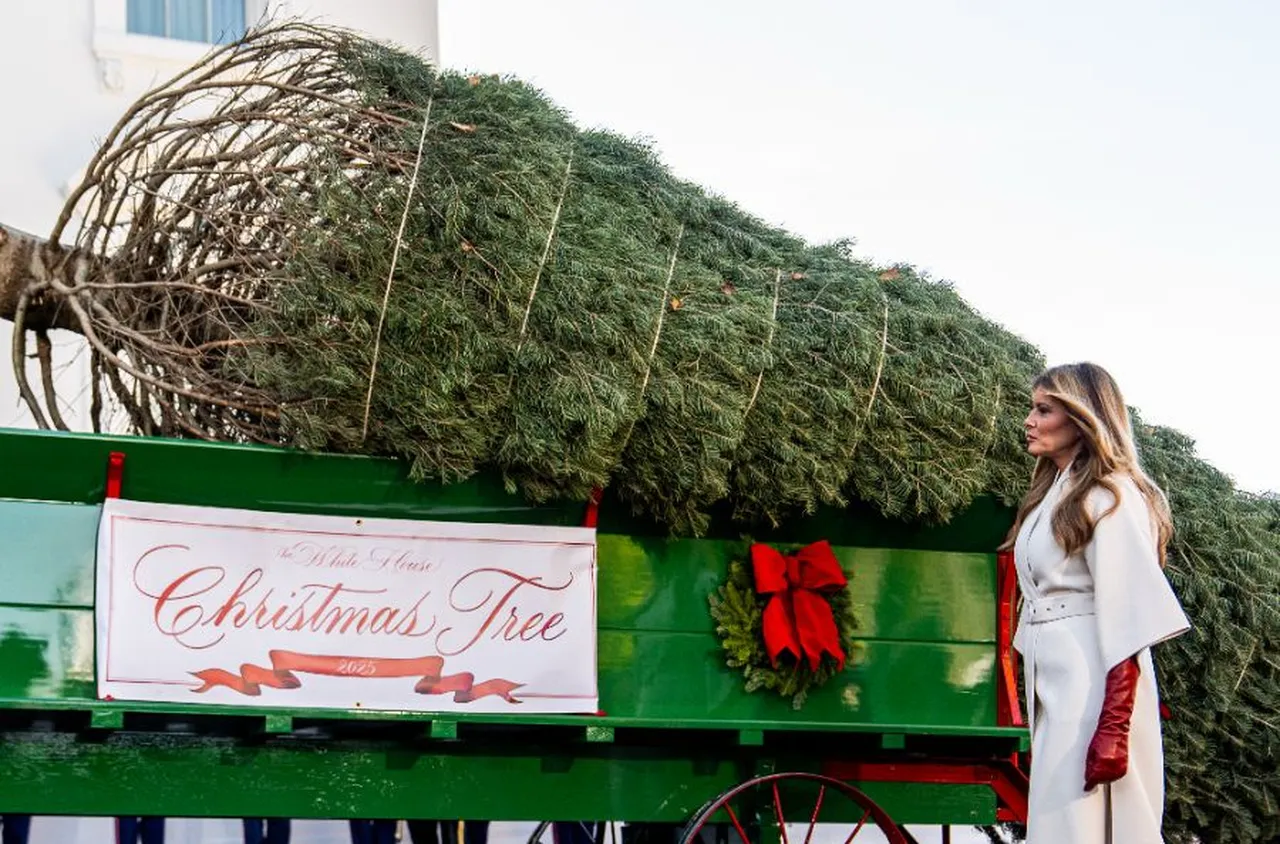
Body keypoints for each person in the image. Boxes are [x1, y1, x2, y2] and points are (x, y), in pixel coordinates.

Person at [1005, 362, 1190, 843]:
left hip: (1095, 681)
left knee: (1085, 823)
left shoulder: (1112, 494)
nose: (1029, 420)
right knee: (1060, 821)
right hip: (1056, 677)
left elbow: (1130, 614)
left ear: (1083, 418)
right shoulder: (1054, 494)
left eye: (1044, 410)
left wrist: (1113, 728)